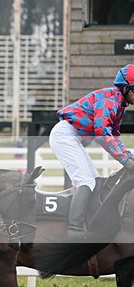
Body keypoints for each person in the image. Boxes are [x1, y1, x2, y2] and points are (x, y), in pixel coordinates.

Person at [49, 64, 134, 236]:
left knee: (95, 181)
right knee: (86, 182)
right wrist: (125, 160)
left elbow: (114, 136)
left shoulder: (119, 104)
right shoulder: (110, 100)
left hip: (72, 136)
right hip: (64, 135)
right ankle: (74, 230)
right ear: (125, 88)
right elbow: (102, 134)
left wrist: (129, 156)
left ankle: (91, 224)